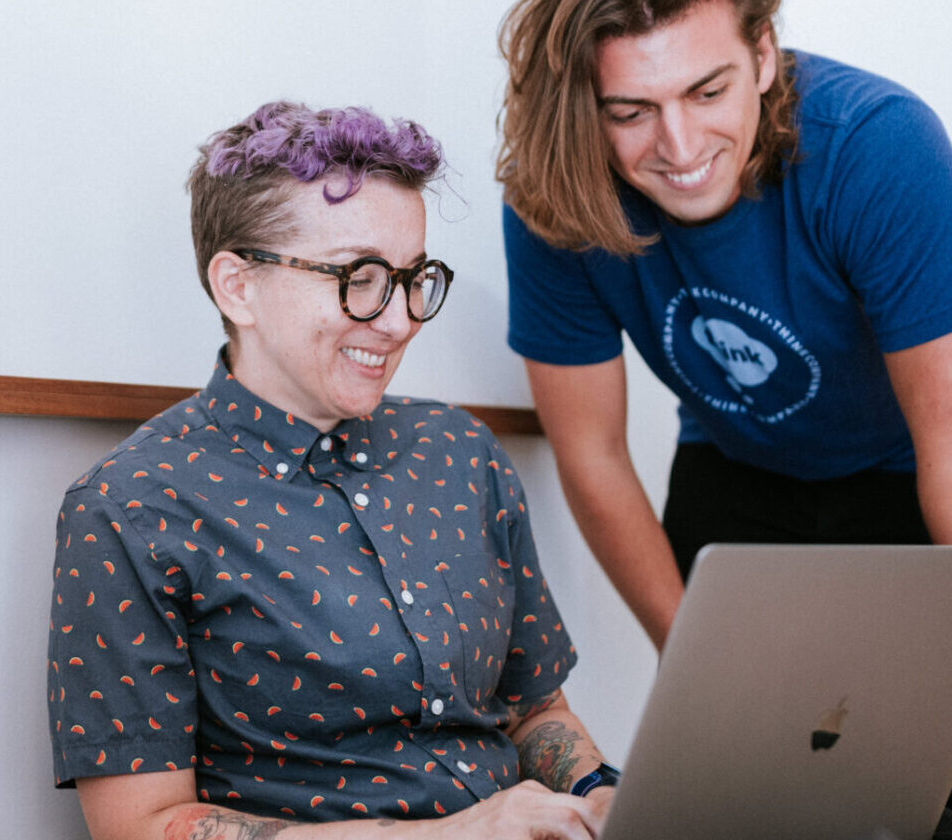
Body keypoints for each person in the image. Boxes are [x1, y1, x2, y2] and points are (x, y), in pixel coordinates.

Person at [495, 1, 952, 838]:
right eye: (631, 112)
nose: (680, 147)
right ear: (585, 106)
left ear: (763, 54)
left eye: (707, 91)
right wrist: (694, 660)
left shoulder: (876, 143)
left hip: (932, 476)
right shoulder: (556, 195)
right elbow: (593, 456)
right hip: (742, 473)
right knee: (750, 799)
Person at [47, 101, 619, 840]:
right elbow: (141, 826)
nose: (400, 319)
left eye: (414, 278)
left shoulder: (462, 454)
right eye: (361, 277)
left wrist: (603, 795)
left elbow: (533, 708)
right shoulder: (132, 507)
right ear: (238, 287)